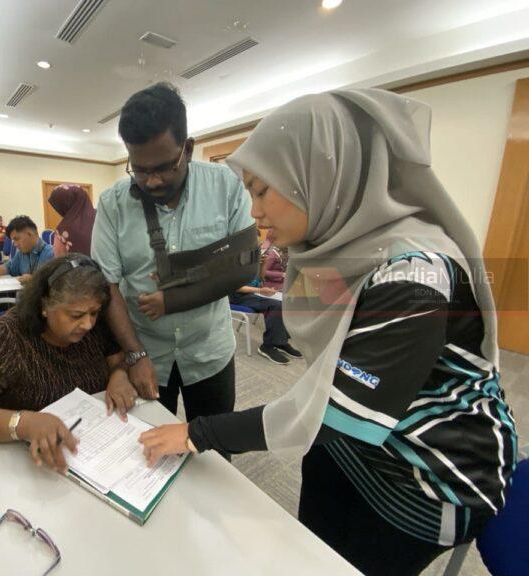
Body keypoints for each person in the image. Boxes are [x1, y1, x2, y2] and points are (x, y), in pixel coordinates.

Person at [138, 89, 516, 576]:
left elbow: (334, 411)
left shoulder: (416, 276)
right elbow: (328, 367)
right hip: (362, 435)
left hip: (432, 472)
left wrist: (198, 431)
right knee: (311, 527)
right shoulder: (335, 248)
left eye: (262, 190)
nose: (254, 212)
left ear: (318, 175)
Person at [91, 83, 255, 442]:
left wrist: (175, 298)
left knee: (213, 450)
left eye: (165, 168)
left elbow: (244, 266)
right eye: (139, 170)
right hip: (146, 351)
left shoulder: (225, 185)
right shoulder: (113, 203)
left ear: (188, 149)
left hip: (209, 351)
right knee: (144, 451)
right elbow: (107, 286)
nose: (152, 181)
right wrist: (135, 354)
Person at [0, 254, 139, 473]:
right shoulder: (8, 336)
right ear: (45, 305)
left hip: (92, 451)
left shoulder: (96, 326)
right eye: (76, 315)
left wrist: (119, 376)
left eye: (94, 313)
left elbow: (118, 361)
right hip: (23, 463)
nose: (88, 324)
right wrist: (23, 423)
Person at [229, 274, 302, 364]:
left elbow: (258, 279)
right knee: (276, 306)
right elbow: (233, 287)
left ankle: (280, 342)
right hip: (235, 298)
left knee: (283, 304)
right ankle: (268, 346)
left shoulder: (252, 267)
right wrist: (260, 290)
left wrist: (263, 287)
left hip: (249, 294)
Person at [0, 215, 53, 283]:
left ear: (29, 234)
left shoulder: (52, 254)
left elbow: (56, 287)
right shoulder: (22, 253)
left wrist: (34, 280)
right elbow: (8, 268)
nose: (15, 244)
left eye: (16, 239)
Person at [48, 184, 96, 257]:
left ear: (65, 205)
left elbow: (60, 259)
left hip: (81, 265)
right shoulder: (101, 216)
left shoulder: (63, 230)